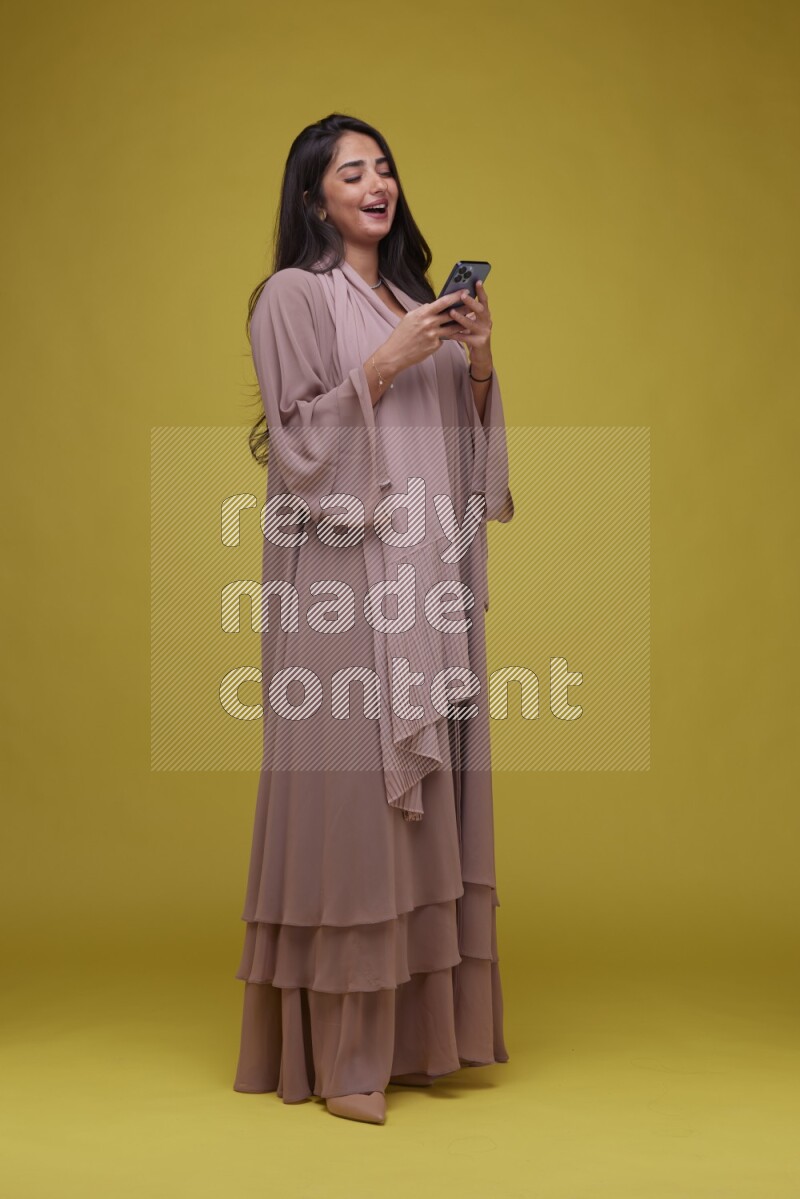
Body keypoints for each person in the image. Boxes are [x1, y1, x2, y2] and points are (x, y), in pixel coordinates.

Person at [232, 112, 514, 1126]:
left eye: (384, 166)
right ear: (314, 197)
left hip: (424, 584)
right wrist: (384, 363)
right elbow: (301, 446)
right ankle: (343, 1056)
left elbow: (463, 457)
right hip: (343, 582)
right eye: (351, 171)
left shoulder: (412, 300)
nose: (376, 183)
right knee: (352, 812)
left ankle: (419, 1041)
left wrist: (474, 360)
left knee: (425, 813)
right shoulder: (292, 297)